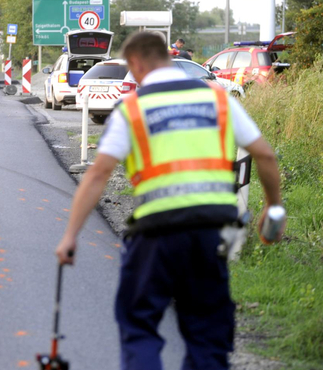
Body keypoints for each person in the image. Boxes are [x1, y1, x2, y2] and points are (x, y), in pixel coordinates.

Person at [55, 32, 283, 370]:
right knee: (207, 332)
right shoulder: (219, 100)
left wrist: (71, 236)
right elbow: (264, 155)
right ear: (168, 57)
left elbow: (99, 173)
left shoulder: (132, 109)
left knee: (140, 325)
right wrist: (273, 208)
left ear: (135, 63)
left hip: (155, 234)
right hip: (210, 234)